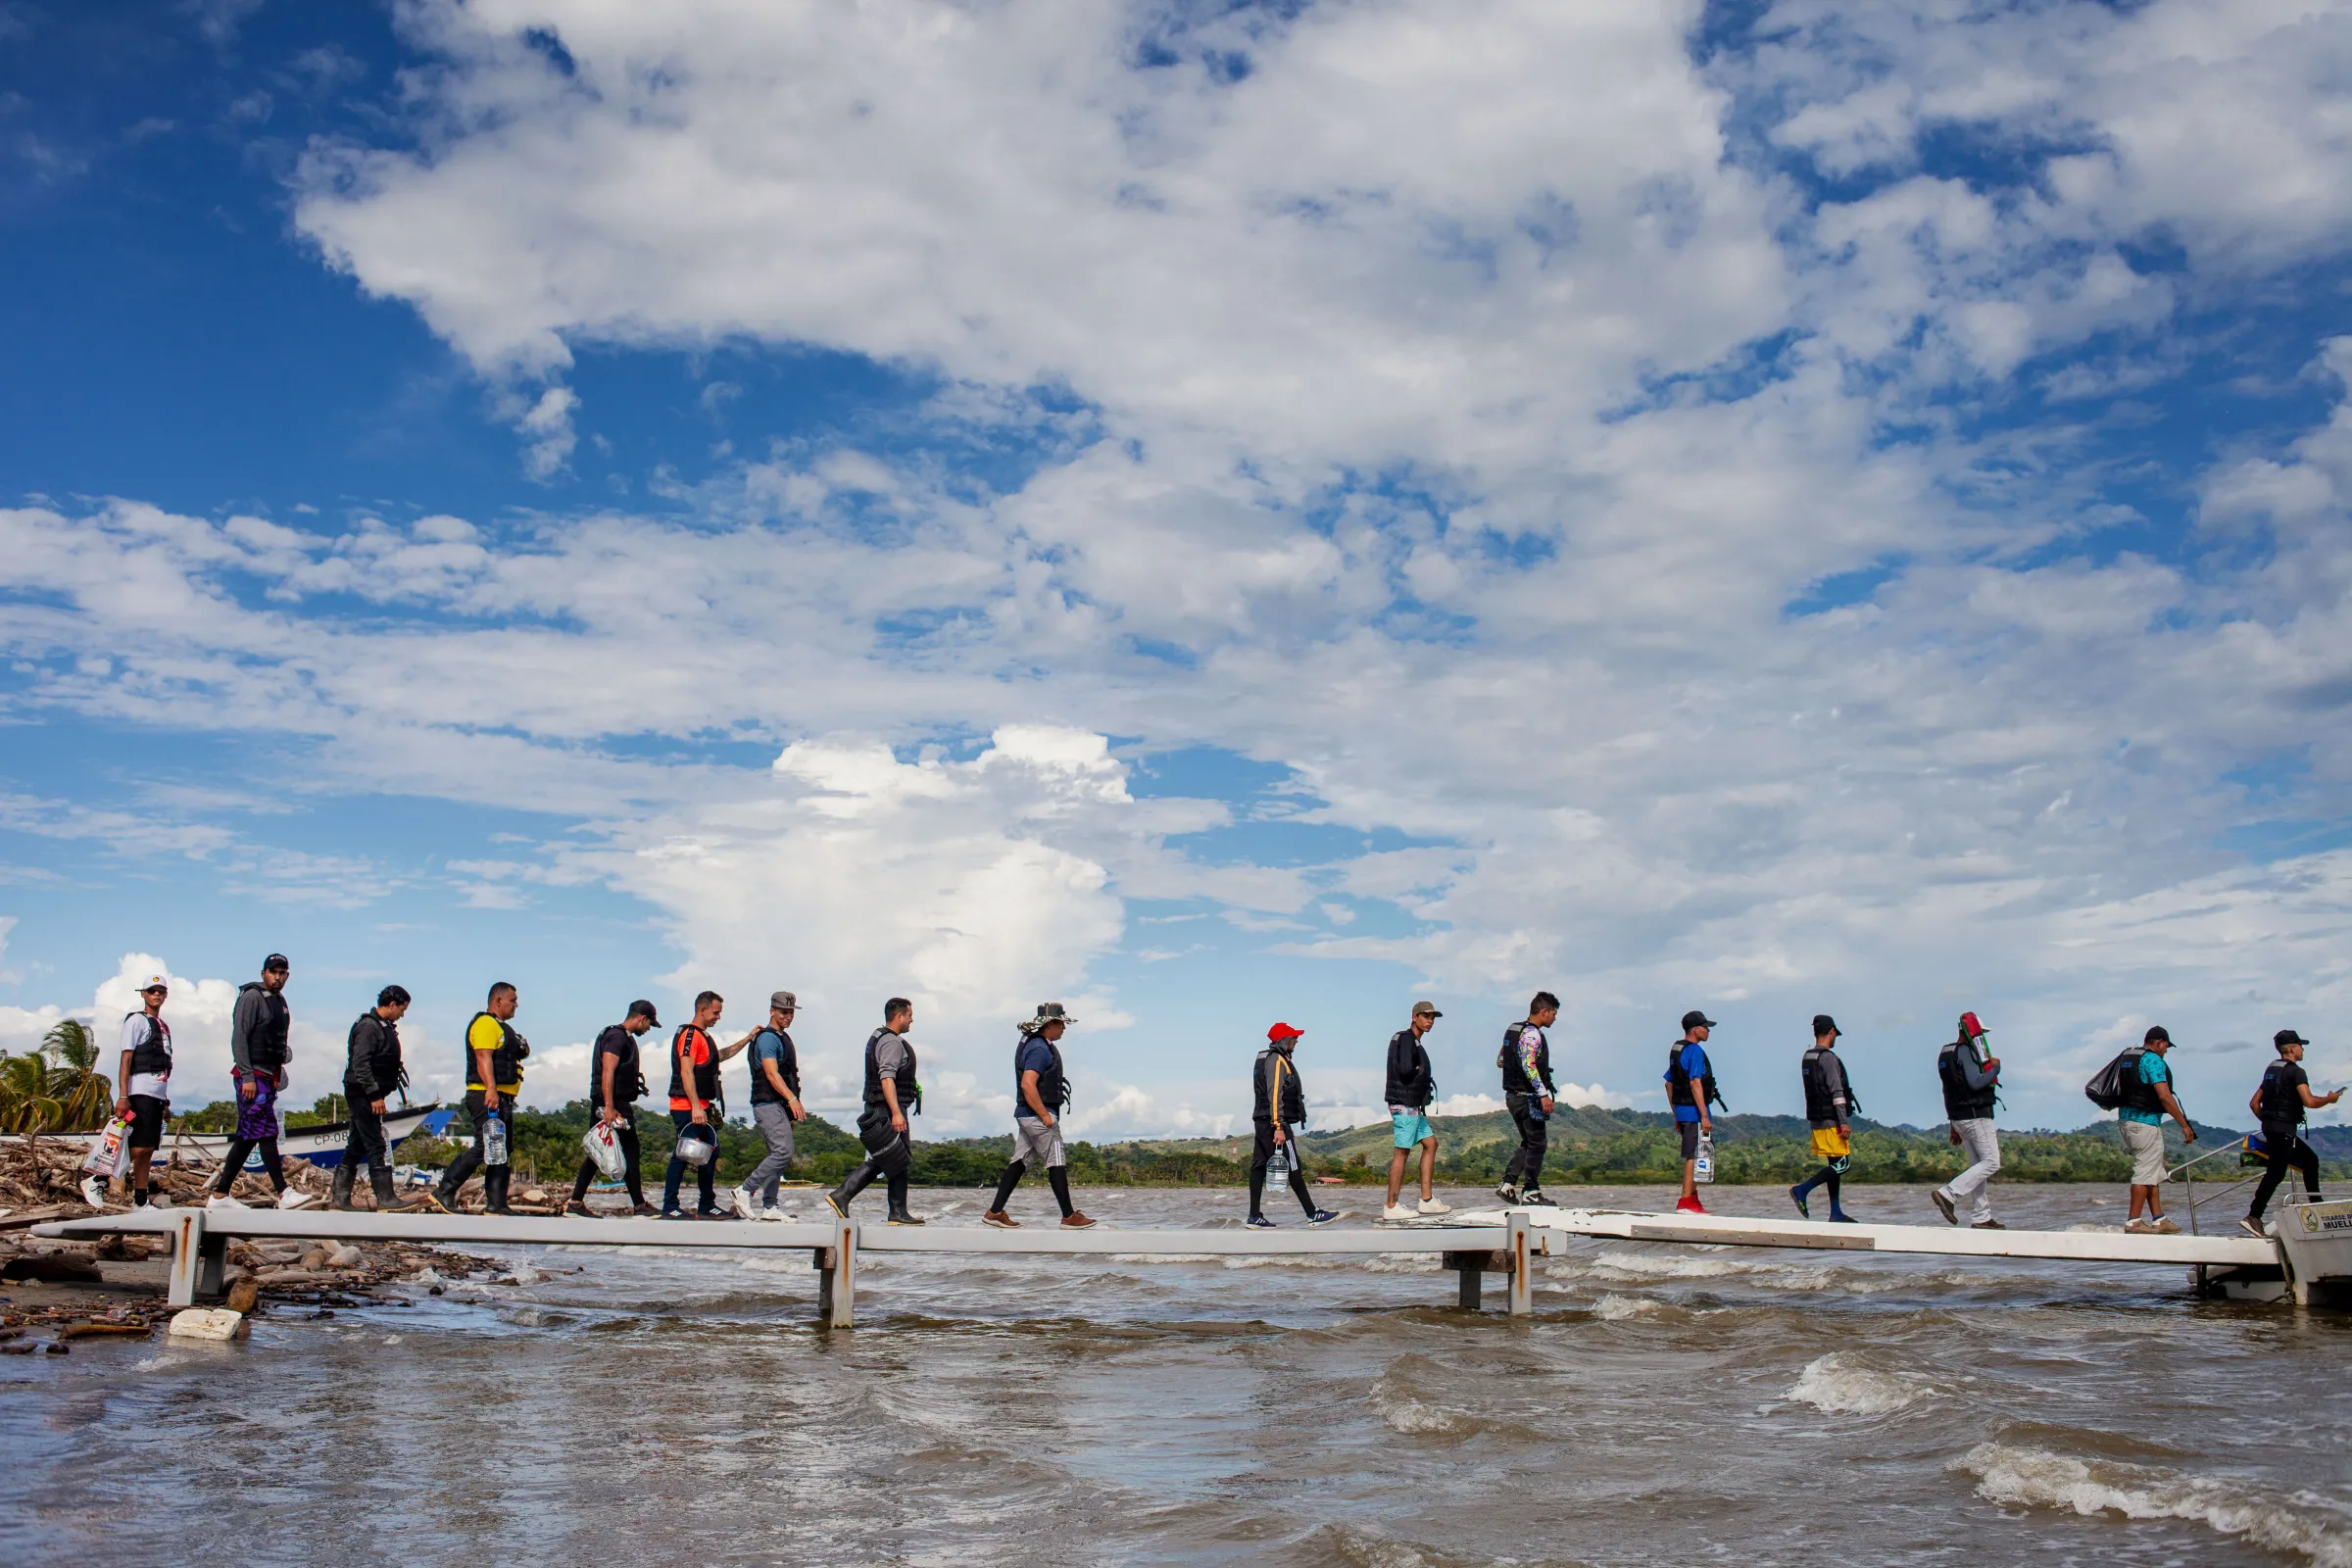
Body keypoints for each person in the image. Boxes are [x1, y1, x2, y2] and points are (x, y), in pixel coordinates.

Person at [206, 954, 312, 1210]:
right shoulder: (252, 997)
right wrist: (247, 1076)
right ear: (264, 973)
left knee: (248, 1136)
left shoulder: (280, 1001)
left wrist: (282, 1060)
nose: (278, 977)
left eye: (282, 973)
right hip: (252, 1077)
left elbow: (275, 1038)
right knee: (267, 1132)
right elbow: (239, 1038)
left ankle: (219, 1195)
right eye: (273, 972)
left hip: (269, 1076)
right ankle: (284, 1193)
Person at [981, 1004, 1096, 1230]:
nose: (1064, 1028)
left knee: (1019, 1162)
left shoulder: (1036, 1045)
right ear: (1049, 1024)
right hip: (1037, 1116)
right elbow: (1027, 1084)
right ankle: (1069, 1216)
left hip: (1026, 1116)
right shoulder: (1040, 1049)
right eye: (1061, 1023)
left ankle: (995, 1212)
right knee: (1057, 1161)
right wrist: (1045, 1115)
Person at [430, 981, 531, 1215]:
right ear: (498, 1000)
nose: (516, 1005)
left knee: (502, 1150)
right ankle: (443, 1192)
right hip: (486, 1095)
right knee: (484, 1146)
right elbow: (483, 1057)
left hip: (502, 1097)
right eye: (512, 1000)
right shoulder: (486, 1023)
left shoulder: (501, 1027)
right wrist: (491, 1089)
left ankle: (496, 1204)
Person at [824, 997, 927, 1226]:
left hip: (882, 1107)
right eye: (910, 1015)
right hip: (887, 1109)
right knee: (888, 1157)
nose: (912, 1020)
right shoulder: (891, 1042)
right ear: (899, 1016)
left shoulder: (881, 1037)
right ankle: (843, 1195)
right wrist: (896, 1113)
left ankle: (897, 1212)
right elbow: (887, 1077)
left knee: (896, 1158)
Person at [2243, 1029, 2340, 1237]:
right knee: (2276, 1173)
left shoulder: (2271, 1070)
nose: (2303, 1049)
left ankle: (2316, 1204)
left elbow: (2254, 1104)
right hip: (2284, 1129)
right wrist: (2330, 1099)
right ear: (2292, 1048)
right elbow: (2310, 1101)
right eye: (2301, 1046)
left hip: (2271, 1127)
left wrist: (2270, 1123)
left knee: (2309, 1161)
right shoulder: (2296, 1071)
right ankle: (2254, 1216)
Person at [566, 1000, 660, 1217]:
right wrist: (609, 1107)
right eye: (649, 1025)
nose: (648, 1030)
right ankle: (639, 1206)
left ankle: (576, 1203)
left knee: (599, 1152)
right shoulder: (616, 1036)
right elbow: (608, 1070)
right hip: (611, 1103)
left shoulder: (623, 1038)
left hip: (616, 1101)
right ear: (641, 1018)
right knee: (629, 1150)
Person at [662, 991, 748, 1220]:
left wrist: (747, 1039)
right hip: (686, 1106)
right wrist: (695, 1107)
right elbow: (686, 1070)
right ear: (702, 1010)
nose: (718, 1017)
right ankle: (670, 1206)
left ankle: (706, 1205)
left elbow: (719, 1056)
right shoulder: (690, 1035)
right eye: (716, 1012)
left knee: (711, 1151)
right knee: (682, 1155)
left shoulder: (704, 1038)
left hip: (700, 1106)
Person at [1247, 1022, 1337, 1229]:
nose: (1297, 1040)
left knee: (1259, 1166)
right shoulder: (1277, 1061)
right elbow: (1275, 1092)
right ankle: (1312, 1213)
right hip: (1273, 1123)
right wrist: (1278, 1125)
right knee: (1294, 1166)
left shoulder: (1271, 1059)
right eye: (1293, 1037)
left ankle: (1254, 1217)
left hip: (1261, 1121)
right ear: (1283, 1039)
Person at [730, 991, 808, 1221]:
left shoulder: (781, 1036)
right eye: (784, 1012)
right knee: (783, 1152)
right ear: (772, 1011)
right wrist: (792, 1099)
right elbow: (771, 1074)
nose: (788, 1017)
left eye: (791, 1012)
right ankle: (744, 1190)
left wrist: (790, 1104)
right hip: (767, 1103)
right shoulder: (767, 1038)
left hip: (779, 1105)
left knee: (778, 1153)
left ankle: (770, 1207)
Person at [332, 985, 412, 1213]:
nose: (402, 1015)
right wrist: (375, 1095)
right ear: (392, 1004)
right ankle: (386, 1198)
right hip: (362, 1094)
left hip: (367, 1093)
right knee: (376, 1143)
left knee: (356, 1145)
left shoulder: (382, 1026)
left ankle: (339, 1200)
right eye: (402, 1009)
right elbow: (360, 1064)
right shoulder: (369, 1027)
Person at [106, 975, 175, 1208]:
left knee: (148, 1151)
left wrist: (165, 1103)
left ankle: (140, 1201)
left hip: (156, 1095)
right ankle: (99, 1178)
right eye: (151, 990)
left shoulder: (163, 1027)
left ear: (166, 995)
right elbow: (126, 1059)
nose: (157, 994)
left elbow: (163, 1066)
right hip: (139, 1091)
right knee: (139, 1146)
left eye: (161, 990)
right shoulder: (136, 1021)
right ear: (143, 994)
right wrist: (123, 1096)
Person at [1931, 1011, 2004, 1229]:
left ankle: (1982, 1217)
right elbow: (1975, 1082)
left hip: (1958, 1117)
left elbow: (1947, 1090)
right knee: (1991, 1162)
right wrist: (1997, 1068)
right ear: (1971, 1032)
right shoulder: (1966, 1052)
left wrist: (1952, 1123)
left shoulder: (1947, 1053)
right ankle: (1948, 1194)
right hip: (1976, 1116)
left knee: (1978, 1165)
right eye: (1980, 1033)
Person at [2120, 1025, 2194, 1235]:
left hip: (2126, 1121)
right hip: (2145, 1123)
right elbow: (2164, 1096)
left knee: (2152, 1169)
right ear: (2160, 1042)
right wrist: (2184, 1125)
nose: (2165, 1051)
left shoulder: (2129, 1057)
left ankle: (2158, 1219)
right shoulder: (2153, 1060)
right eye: (2166, 1047)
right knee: (2145, 1170)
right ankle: (2133, 1221)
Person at [1383, 1002, 1450, 1220]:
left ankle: (1427, 1200)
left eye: (1432, 1017)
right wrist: (1418, 1071)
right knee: (1402, 1151)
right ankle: (1391, 1206)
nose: (1429, 1021)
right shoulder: (1406, 1038)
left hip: (1412, 1105)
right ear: (1414, 1017)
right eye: (1425, 1016)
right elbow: (1404, 1069)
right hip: (1404, 1103)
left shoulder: (1413, 1041)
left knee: (1431, 1144)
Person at [1789, 1014, 1858, 1222]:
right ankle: (1802, 1189)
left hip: (1816, 1118)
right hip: (1831, 1119)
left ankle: (1835, 1212)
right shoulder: (1828, 1057)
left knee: (1834, 1163)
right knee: (1843, 1164)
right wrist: (1843, 1121)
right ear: (1831, 1032)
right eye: (1835, 1033)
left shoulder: (1807, 1056)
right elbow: (1836, 1091)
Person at [1494, 992, 1560, 1206]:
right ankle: (1531, 1192)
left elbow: (1500, 1060)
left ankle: (1507, 1184)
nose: (1554, 1018)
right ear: (1544, 1012)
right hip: (1526, 1097)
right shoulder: (1532, 1034)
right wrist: (1543, 1094)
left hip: (1512, 1096)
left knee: (1529, 1142)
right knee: (1538, 1143)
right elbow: (1528, 1065)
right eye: (1553, 1013)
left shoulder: (1514, 1030)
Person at [1665, 1009, 1722, 1215]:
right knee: (1694, 1155)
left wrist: (1676, 1114)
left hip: (1683, 1111)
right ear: (1695, 1029)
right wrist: (1704, 1116)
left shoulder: (1677, 1049)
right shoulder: (1695, 1051)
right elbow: (1695, 1083)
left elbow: (1668, 1084)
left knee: (1699, 1154)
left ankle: (1692, 1199)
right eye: (1706, 1027)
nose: (1708, 1031)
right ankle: (1686, 1201)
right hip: (1695, 1112)